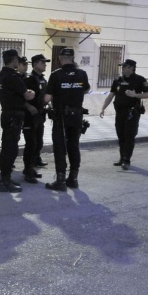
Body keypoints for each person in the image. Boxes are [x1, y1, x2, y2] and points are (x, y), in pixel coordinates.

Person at [43, 48, 90, 191]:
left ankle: (61, 180)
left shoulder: (56, 75)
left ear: (60, 58)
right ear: (73, 58)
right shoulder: (82, 74)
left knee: (60, 147)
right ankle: (73, 179)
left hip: (61, 117)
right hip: (76, 116)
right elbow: (86, 90)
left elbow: (47, 98)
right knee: (74, 146)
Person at [0, 49, 36, 192]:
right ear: (13, 60)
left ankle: (5, 179)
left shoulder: (0, 76)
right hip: (14, 116)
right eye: (17, 60)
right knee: (10, 149)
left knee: (6, 147)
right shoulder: (13, 76)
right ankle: (5, 181)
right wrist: (33, 92)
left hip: (6, 113)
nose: (19, 62)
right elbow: (27, 95)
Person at [99, 59, 148, 170]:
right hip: (120, 112)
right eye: (122, 67)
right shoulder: (118, 80)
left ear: (131, 67)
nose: (122, 68)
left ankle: (126, 160)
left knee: (129, 136)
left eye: (124, 66)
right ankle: (122, 158)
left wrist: (135, 95)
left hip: (132, 113)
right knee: (121, 136)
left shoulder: (139, 80)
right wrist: (103, 108)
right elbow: (111, 95)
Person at [16, 56, 41, 183]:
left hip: (35, 115)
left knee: (34, 142)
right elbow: (18, 97)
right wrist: (28, 106)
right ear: (18, 65)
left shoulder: (29, 78)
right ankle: (27, 169)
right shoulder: (16, 79)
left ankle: (30, 168)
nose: (26, 66)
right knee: (30, 142)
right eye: (23, 64)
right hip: (25, 114)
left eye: (26, 64)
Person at [27, 54, 51, 171]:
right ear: (35, 64)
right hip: (31, 114)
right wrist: (29, 107)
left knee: (39, 140)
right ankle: (29, 165)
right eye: (43, 62)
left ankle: (36, 159)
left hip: (41, 113)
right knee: (32, 141)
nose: (45, 64)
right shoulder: (30, 79)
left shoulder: (42, 78)